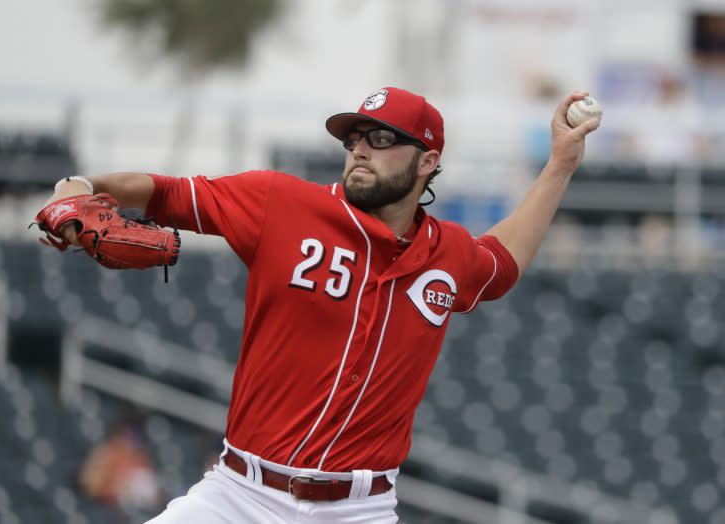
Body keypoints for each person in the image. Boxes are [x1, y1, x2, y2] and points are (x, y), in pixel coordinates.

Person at [42, 86, 599, 523]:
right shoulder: (281, 204)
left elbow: (502, 263)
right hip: (240, 497)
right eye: (355, 137)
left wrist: (560, 166)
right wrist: (80, 182)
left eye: (381, 139)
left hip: (360, 508)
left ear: (428, 162)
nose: (360, 148)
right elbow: (163, 192)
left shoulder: (448, 254)